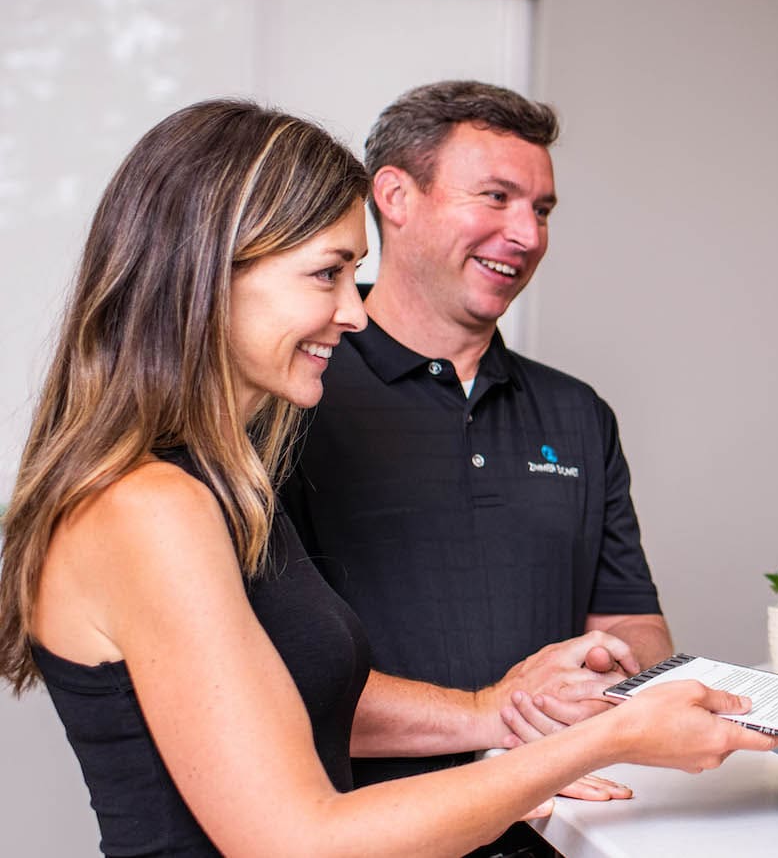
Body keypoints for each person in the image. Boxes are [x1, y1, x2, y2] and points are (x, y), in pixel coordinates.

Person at [0, 100, 778, 857]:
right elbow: (301, 842)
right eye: (328, 274)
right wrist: (603, 738)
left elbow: (295, 738)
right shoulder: (151, 505)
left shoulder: (209, 484)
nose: (355, 312)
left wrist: (498, 721)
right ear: (208, 272)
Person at [279, 81, 673, 788]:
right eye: (496, 197)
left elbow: (634, 623)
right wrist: (502, 717)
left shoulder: (578, 414)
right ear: (395, 197)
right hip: (369, 828)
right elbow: (269, 684)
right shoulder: (293, 394)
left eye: (541, 209)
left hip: (563, 817)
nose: (526, 234)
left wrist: (607, 674)